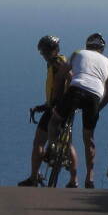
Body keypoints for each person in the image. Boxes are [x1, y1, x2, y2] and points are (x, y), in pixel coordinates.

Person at [60, 32, 108, 187]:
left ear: (87, 46)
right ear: (102, 49)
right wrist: (98, 109)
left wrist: (60, 98)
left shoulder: (78, 53)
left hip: (75, 90)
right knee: (88, 138)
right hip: (94, 96)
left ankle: (52, 147)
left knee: (56, 120)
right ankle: (90, 177)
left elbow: (62, 75)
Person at [21, 34, 76, 186]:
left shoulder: (57, 63)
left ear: (55, 50)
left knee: (38, 141)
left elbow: (70, 79)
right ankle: (74, 179)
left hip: (57, 108)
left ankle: (33, 178)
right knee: (67, 144)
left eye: (46, 51)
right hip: (64, 107)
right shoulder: (60, 61)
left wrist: (57, 102)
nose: (44, 55)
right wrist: (44, 105)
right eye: (43, 52)